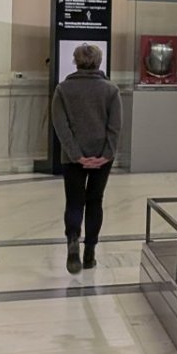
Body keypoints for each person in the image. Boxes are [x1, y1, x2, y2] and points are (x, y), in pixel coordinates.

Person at [51, 42, 120, 274]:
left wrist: (76, 155)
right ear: (99, 62)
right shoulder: (111, 90)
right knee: (95, 201)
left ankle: (73, 242)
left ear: (76, 62)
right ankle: (90, 252)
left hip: (72, 158)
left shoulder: (63, 90)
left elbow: (61, 127)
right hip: (102, 157)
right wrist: (106, 155)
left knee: (74, 201)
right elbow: (115, 127)